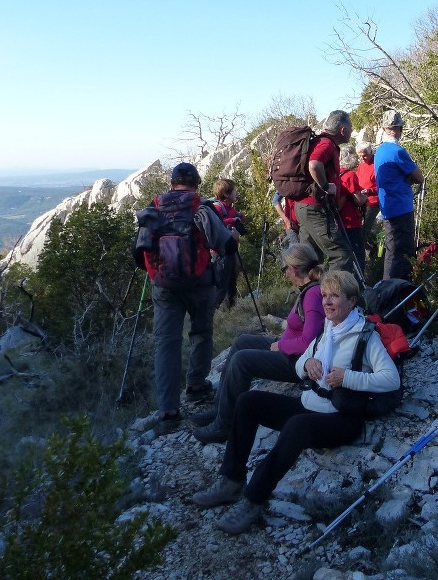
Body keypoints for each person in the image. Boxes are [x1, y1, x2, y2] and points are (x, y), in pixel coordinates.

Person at [191, 270, 399, 536]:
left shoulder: (365, 336)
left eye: (335, 296)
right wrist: (307, 363)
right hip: (313, 403)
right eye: (325, 295)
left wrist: (349, 378)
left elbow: (390, 379)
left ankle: (253, 499)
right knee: (248, 401)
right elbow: (303, 360)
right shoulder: (330, 329)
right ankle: (231, 481)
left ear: (352, 300)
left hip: (343, 417)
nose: (327, 302)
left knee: (297, 426)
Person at [134, 162, 237, 436]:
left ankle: (168, 410)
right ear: (196, 184)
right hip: (200, 283)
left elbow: (138, 255)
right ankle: (196, 386)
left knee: (166, 344)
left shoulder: (154, 209)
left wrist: (157, 272)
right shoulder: (201, 208)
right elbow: (226, 245)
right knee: (201, 332)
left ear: (171, 183)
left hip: (164, 287)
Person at [191, 243, 324, 444]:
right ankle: (221, 407)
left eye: (285, 268)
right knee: (242, 342)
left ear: (295, 268)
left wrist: (280, 346)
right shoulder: (307, 290)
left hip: (299, 362)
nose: (285, 273)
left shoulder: (313, 295)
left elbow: (309, 341)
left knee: (242, 360)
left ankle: (224, 425)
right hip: (290, 350)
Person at [295, 110, 361, 284]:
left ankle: (310, 302)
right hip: (315, 208)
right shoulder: (327, 145)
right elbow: (314, 164)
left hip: (304, 207)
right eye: (351, 127)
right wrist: (325, 186)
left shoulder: (318, 142)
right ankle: (334, 301)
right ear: (342, 130)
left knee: (310, 259)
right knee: (341, 255)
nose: (352, 131)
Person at [374, 110, 425, 280]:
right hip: (401, 208)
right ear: (400, 129)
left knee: (392, 251)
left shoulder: (379, 151)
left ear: (384, 128)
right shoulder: (397, 151)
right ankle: (399, 291)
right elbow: (419, 177)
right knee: (403, 254)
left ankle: (388, 288)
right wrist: (407, 178)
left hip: (388, 209)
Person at [206, 178, 245, 309]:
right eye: (235, 191)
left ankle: (230, 310)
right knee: (221, 283)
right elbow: (218, 223)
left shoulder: (229, 208)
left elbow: (231, 219)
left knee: (231, 282)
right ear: (227, 194)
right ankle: (213, 312)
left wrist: (239, 217)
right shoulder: (218, 207)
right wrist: (233, 220)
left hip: (230, 250)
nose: (237, 193)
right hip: (220, 253)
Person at [338, 145, 367, 276]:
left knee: (343, 255)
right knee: (359, 254)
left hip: (338, 221)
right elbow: (358, 200)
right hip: (350, 221)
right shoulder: (349, 175)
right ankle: (358, 285)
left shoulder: (335, 174)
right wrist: (365, 197)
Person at [355, 141, 379, 254]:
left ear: (370, 152)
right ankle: (369, 249)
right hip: (361, 201)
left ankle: (370, 252)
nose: (362, 158)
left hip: (373, 202)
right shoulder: (361, 165)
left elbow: (382, 185)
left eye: (364, 155)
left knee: (364, 230)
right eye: (359, 155)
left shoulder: (377, 164)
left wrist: (369, 191)